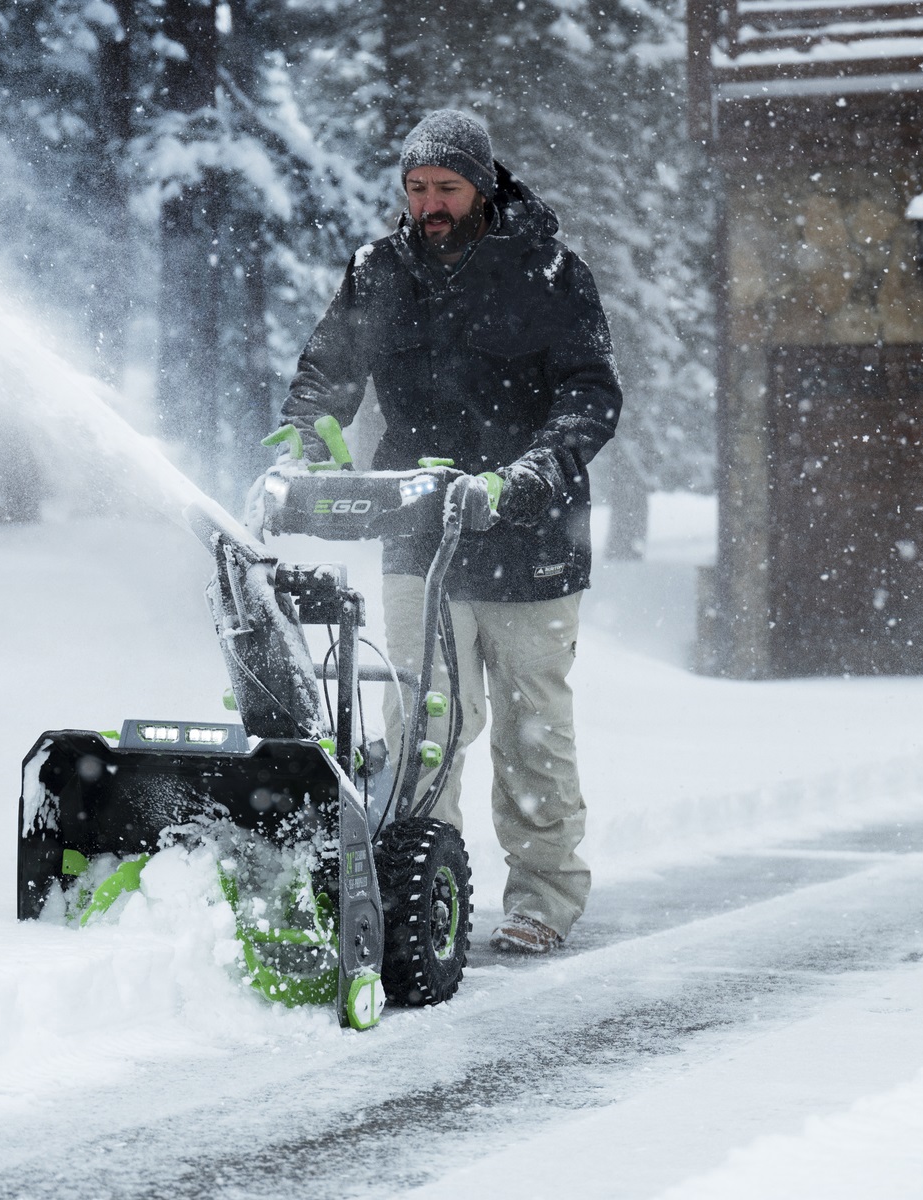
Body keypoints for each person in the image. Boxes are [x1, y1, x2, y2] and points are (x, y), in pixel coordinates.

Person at [280, 109, 622, 955]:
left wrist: (528, 474)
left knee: (533, 731)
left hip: (531, 540)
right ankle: (424, 895)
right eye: (416, 188)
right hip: (418, 527)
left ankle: (543, 898)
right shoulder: (379, 271)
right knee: (421, 727)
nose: (429, 204)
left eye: (447, 188)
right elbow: (328, 367)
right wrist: (309, 425)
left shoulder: (548, 272)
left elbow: (591, 395)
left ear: (483, 187)